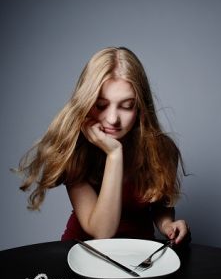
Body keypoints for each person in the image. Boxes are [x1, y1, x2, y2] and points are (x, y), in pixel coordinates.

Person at [17, 46, 190, 245]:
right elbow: (102, 232)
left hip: (139, 254)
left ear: (140, 106)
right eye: (101, 105)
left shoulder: (163, 149)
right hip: (84, 253)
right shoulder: (76, 152)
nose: (112, 118)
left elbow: (159, 204)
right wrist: (114, 154)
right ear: (86, 103)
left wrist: (167, 225)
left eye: (127, 106)